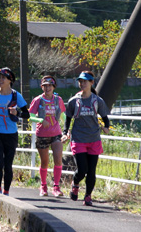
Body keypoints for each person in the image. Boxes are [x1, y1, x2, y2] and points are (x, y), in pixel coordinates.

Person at [62, 71, 110, 206]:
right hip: (78, 139)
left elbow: (105, 118)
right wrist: (66, 132)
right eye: (80, 81)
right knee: (82, 169)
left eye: (85, 81)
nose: (82, 84)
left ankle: (88, 196)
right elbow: (68, 118)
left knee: (91, 171)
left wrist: (106, 127)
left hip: (94, 138)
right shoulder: (74, 101)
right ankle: (75, 183)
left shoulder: (97, 101)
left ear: (91, 83)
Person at [0, 67, 29, 196]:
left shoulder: (16, 95)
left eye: (3, 77)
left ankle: (6, 192)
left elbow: (26, 114)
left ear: (10, 80)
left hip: (11, 134)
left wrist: (17, 113)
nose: (0, 79)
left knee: (8, 164)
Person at [28, 75, 66, 197]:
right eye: (45, 86)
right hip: (42, 134)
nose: (47, 88)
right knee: (45, 161)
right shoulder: (38, 100)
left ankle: (56, 187)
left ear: (53, 87)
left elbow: (63, 116)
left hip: (56, 133)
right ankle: (43, 186)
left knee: (58, 159)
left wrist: (67, 129)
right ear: (42, 87)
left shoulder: (58, 100)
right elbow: (30, 116)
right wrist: (40, 120)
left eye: (50, 85)